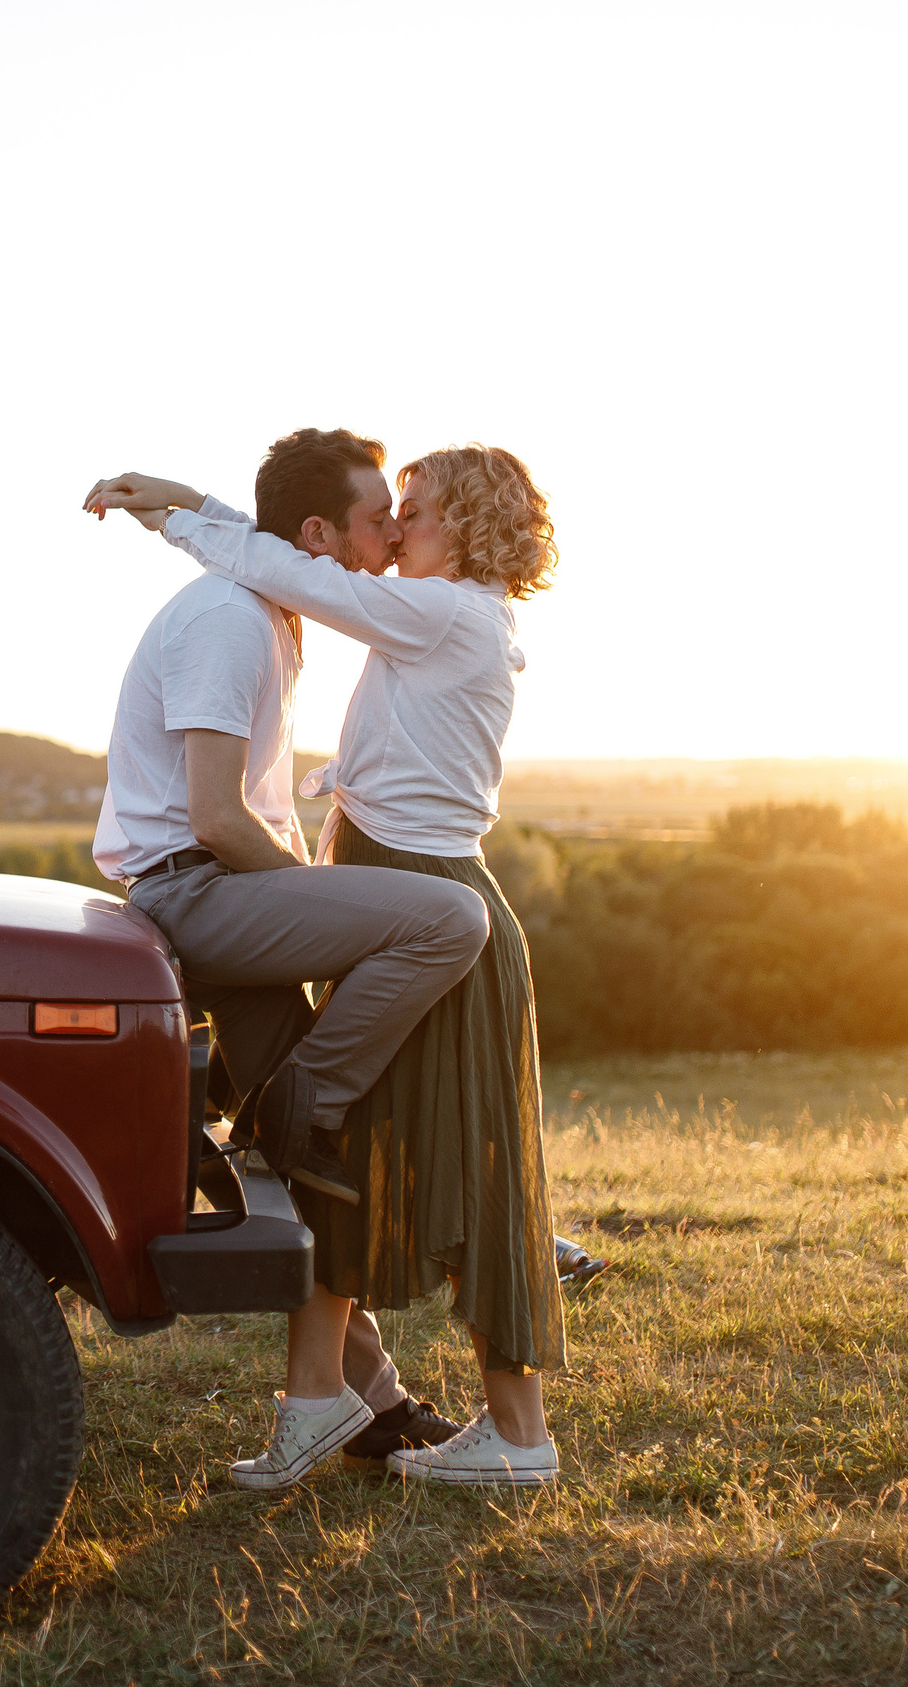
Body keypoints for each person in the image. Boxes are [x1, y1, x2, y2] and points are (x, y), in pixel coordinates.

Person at [87, 442, 566, 1487]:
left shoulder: (445, 613)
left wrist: (174, 511)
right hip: (393, 897)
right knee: (337, 1156)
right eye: (388, 511)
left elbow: (297, 565)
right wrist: (191, 508)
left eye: (418, 510)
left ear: (470, 526)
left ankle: (517, 1435)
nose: (397, 531)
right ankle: (329, 1401)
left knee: (448, 1167)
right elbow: (292, 558)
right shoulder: (420, 617)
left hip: (430, 905)